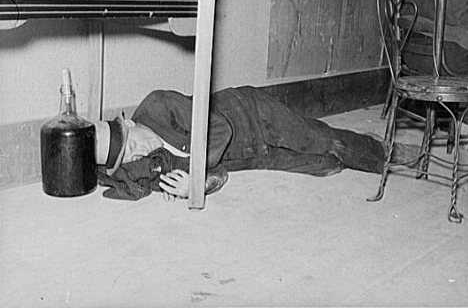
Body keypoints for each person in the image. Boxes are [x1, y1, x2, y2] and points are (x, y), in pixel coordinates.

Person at [95, 85, 419, 201]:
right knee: (326, 167)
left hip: (253, 113)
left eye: (132, 143)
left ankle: (385, 153)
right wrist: (192, 188)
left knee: (324, 142)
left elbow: (218, 128)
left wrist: (193, 175)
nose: (140, 151)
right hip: (253, 156)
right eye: (130, 156)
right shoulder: (151, 158)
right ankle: (354, 145)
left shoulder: (157, 105)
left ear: (129, 123)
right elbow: (219, 176)